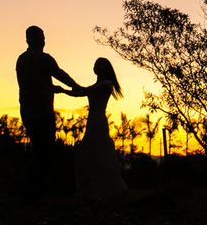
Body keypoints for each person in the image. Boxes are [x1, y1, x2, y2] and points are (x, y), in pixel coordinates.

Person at [16, 25, 79, 197]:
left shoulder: (21, 59)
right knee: (45, 152)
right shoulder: (44, 59)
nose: (44, 40)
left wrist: (51, 87)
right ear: (33, 39)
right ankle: (36, 192)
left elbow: (31, 84)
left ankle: (34, 191)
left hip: (27, 112)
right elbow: (60, 74)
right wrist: (77, 87)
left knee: (39, 150)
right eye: (42, 37)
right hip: (42, 112)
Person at [54, 57, 127, 202]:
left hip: (99, 121)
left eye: (96, 65)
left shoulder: (107, 84)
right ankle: (91, 190)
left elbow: (84, 90)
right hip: (93, 121)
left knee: (98, 153)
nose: (94, 67)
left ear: (102, 68)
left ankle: (105, 189)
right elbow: (80, 93)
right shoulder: (98, 85)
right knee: (89, 154)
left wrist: (69, 88)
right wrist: (63, 90)